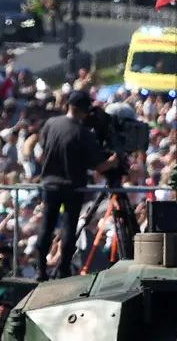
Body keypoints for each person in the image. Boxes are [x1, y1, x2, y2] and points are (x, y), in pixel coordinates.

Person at [34, 91, 118, 281]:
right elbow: (98, 166)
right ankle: (63, 269)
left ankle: (40, 270)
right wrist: (114, 161)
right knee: (69, 229)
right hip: (72, 188)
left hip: (49, 185)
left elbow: (41, 152)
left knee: (46, 227)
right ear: (85, 110)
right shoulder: (82, 132)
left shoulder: (51, 124)